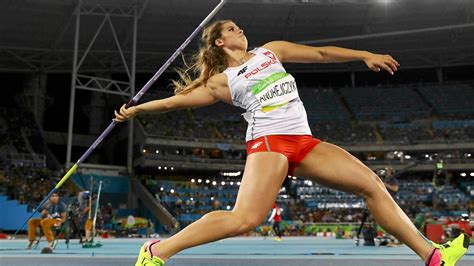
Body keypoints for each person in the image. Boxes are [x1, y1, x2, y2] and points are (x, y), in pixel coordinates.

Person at [114, 20, 469, 266]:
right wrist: (136, 109)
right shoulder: (223, 80)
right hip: (268, 143)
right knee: (244, 219)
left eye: (239, 26)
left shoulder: (271, 51)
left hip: (303, 141)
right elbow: (177, 100)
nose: (241, 29)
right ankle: (159, 249)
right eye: (232, 28)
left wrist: (362, 55)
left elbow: (322, 54)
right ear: (220, 42)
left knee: (372, 185)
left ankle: (432, 256)